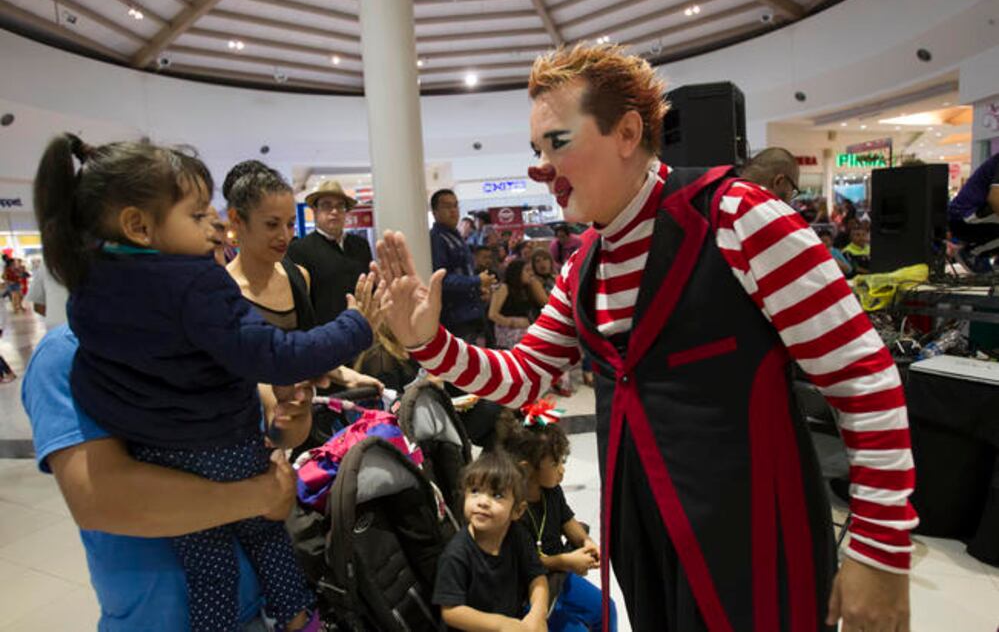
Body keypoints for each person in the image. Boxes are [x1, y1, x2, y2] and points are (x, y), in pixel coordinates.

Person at [378, 43, 915, 632]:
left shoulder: (739, 217)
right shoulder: (584, 266)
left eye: (557, 142)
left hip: (752, 547)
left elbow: (862, 377)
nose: (541, 168)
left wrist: (879, 549)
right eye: (536, 150)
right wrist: (430, 342)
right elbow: (523, 372)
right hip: (645, 543)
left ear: (628, 131)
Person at [35, 134, 382, 632]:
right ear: (139, 226)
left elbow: (277, 423)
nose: (215, 230)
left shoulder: (110, 314)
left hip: (240, 604)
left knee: (215, 568)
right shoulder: (65, 355)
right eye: (199, 217)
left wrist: (291, 417)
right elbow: (100, 500)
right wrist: (262, 495)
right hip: (155, 617)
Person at [222, 160, 384, 395]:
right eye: (272, 224)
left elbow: (305, 347)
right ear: (237, 221)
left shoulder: (297, 276)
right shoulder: (224, 291)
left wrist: (347, 376)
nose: (284, 236)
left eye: (289, 224)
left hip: (306, 409)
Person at [497, 408, 617, 632]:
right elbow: (524, 563)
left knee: (607, 609)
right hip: (528, 591)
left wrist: (585, 541)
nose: (562, 471)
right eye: (555, 464)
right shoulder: (511, 510)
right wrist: (566, 561)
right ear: (526, 469)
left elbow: (567, 520)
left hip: (558, 577)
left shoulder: (551, 491)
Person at [433, 450, 548, 631]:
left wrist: (537, 614)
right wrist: (502, 624)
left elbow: (537, 577)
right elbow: (451, 611)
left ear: (518, 510)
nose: (483, 502)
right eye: (475, 491)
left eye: (497, 495)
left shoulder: (517, 535)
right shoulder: (456, 554)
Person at [287, 178, 374, 324]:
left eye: (340, 206)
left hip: (363, 331)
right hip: (325, 337)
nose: (334, 211)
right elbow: (301, 304)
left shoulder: (360, 245)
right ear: (315, 211)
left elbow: (370, 288)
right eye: (326, 205)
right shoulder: (299, 250)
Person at [429, 188, 492, 344]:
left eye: (455, 206)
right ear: (435, 212)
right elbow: (441, 279)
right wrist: (476, 281)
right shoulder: (437, 238)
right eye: (447, 206)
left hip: (471, 312)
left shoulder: (455, 236)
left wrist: (478, 287)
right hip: (455, 317)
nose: (453, 211)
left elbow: (464, 272)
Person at [948, 151, 999, 272]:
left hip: (975, 217)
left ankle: (980, 255)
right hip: (963, 217)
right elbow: (995, 198)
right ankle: (972, 253)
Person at [489, 259, 547, 349]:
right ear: (517, 272)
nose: (531, 274)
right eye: (527, 270)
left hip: (525, 332)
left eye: (531, 271)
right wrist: (512, 322)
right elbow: (492, 314)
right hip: (508, 335)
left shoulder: (526, 289)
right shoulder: (504, 288)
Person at [25, 260, 70, 328]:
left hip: (57, 327)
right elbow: (38, 305)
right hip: (62, 327)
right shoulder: (46, 265)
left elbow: (38, 306)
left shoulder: (48, 263)